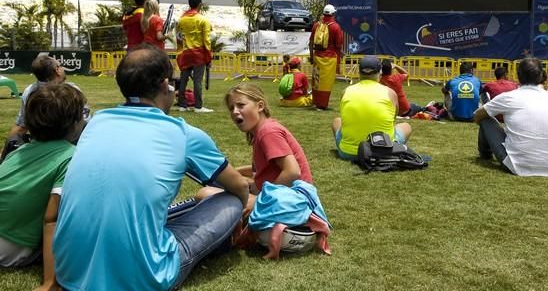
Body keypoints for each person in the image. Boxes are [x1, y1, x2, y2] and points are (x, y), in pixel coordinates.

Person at [53, 44, 249, 291]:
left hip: (69, 270)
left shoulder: (97, 122)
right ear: (166, 84)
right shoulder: (183, 134)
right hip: (144, 277)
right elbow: (239, 186)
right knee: (229, 202)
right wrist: (239, 213)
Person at [0, 83, 85, 291]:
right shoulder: (70, 157)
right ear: (73, 123)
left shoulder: (17, 152)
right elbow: (52, 218)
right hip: (10, 247)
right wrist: (50, 282)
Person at [225, 82, 313, 215]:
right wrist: (231, 172)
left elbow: (292, 172)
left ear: (260, 106)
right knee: (232, 183)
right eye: (231, 108)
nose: (235, 111)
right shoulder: (261, 131)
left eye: (241, 105)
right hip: (287, 196)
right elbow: (262, 168)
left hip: (294, 201)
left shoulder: (268, 132)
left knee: (206, 194)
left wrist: (262, 200)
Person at [473, 57, 548, 177]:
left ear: (518, 76)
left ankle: (485, 154)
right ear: (541, 76)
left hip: (518, 165)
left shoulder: (509, 97)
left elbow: (478, 115)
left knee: (486, 119)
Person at [4, 55, 90, 160]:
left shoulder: (29, 91)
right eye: (61, 66)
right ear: (57, 70)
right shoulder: (72, 91)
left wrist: (4, 154)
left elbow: (21, 126)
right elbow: (85, 122)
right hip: (69, 148)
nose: (63, 68)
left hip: (39, 146)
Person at [332, 56, 412, 162]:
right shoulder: (390, 93)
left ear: (359, 72)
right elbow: (393, 120)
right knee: (406, 126)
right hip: (383, 151)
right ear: (380, 72)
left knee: (337, 121)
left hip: (348, 153)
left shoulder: (346, 91)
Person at [176, 0, 213, 113]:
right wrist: (209, 56)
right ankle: (198, 106)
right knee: (197, 81)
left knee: (183, 80)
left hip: (186, 53)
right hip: (198, 54)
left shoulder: (181, 19)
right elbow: (206, 40)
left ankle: (182, 105)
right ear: (200, 4)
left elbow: (178, 37)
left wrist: (180, 51)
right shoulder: (203, 20)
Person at [309, 4, 344, 110]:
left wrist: (311, 56)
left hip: (317, 57)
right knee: (326, 83)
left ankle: (316, 102)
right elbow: (339, 44)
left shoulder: (316, 25)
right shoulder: (335, 26)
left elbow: (310, 42)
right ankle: (322, 105)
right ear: (333, 14)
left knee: (316, 81)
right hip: (330, 58)